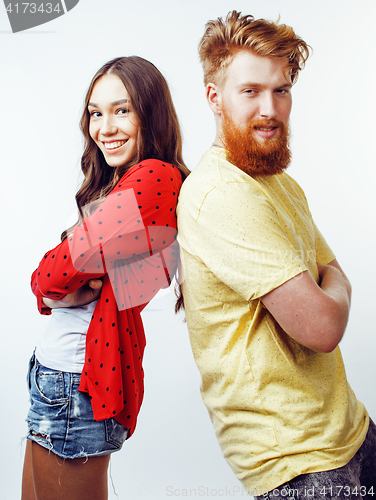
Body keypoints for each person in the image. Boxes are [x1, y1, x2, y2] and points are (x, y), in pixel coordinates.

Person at [177, 11, 375, 498]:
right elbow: (325, 325)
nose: (270, 108)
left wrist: (334, 285)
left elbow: (334, 276)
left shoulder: (279, 183)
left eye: (281, 90)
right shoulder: (222, 194)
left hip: (349, 429)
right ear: (214, 97)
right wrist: (336, 287)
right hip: (297, 464)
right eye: (250, 91)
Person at [22, 56, 189, 500]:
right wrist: (62, 290)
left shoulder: (153, 177)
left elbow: (51, 274)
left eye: (122, 109)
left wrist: (49, 288)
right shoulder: (121, 182)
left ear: (150, 112)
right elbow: (81, 279)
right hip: (57, 375)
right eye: (96, 113)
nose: (105, 128)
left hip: (75, 385)